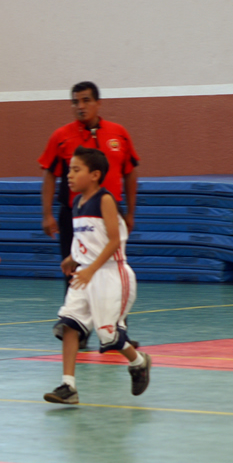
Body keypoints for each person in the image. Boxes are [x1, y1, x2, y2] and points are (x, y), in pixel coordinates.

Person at [43, 146, 151, 405]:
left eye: (76, 169)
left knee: (109, 337)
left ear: (94, 175)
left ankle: (138, 362)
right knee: (69, 324)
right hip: (84, 275)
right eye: (69, 169)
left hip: (110, 274)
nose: (69, 175)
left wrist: (91, 268)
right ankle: (68, 386)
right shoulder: (77, 204)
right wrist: (73, 258)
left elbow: (113, 241)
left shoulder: (105, 200)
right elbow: (86, 239)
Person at [39, 81, 141, 349]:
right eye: (75, 102)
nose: (80, 106)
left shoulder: (119, 134)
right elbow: (49, 174)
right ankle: (77, 329)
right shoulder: (61, 136)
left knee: (113, 268)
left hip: (109, 212)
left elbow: (130, 172)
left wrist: (130, 211)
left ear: (98, 103)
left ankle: (117, 333)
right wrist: (47, 213)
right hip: (75, 216)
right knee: (74, 267)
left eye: (85, 101)